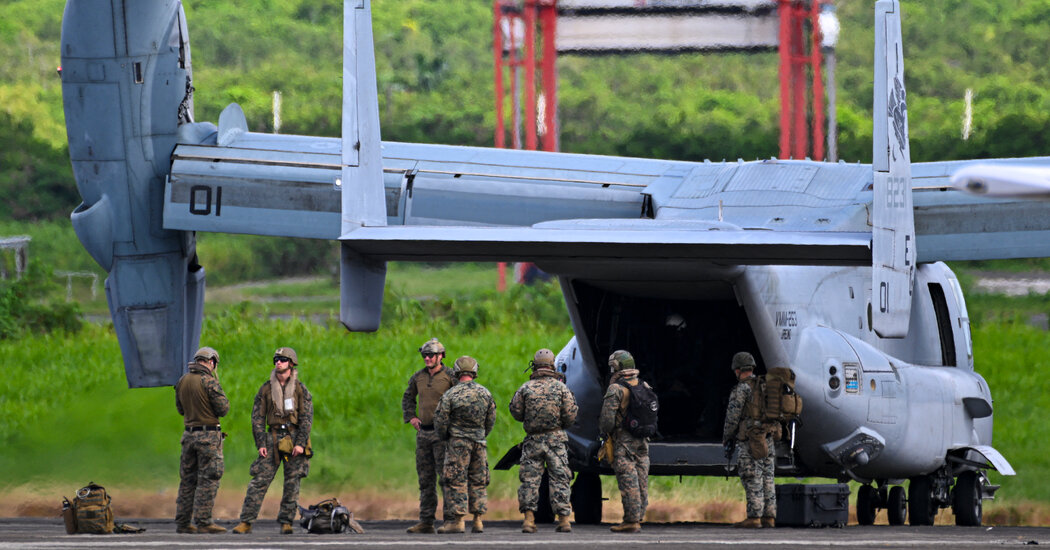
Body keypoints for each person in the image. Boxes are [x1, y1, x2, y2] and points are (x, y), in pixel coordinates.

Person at [232, 347, 313, 535]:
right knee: (259, 480)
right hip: (273, 438)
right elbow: (257, 418)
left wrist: (300, 443)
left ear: (291, 364)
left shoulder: (300, 389)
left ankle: (286, 522)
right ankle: (246, 521)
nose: (278, 362)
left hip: (294, 438)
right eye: (276, 359)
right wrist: (261, 443)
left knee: (292, 483)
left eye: (283, 359)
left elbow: (306, 418)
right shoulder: (266, 389)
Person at [510, 348, 578, 533]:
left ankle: (529, 520)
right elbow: (571, 416)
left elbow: (516, 412)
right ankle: (564, 520)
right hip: (556, 440)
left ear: (535, 365)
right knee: (560, 479)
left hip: (533, 440)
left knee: (530, 480)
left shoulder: (525, 388)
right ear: (552, 365)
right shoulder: (562, 388)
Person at [433, 356, 496, 534]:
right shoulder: (485, 393)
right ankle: (478, 520)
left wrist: (447, 437)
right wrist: (481, 434)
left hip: (458, 443)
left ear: (456, 371)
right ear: (475, 371)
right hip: (479, 442)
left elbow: (440, 421)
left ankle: (458, 522)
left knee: (456, 480)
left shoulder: (450, 394)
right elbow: (491, 420)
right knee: (478, 480)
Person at [401, 337, 456, 534]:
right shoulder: (418, 377)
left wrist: (453, 424)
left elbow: (461, 398)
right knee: (425, 480)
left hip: (443, 435)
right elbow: (408, 397)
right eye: (424, 355)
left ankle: (451, 520)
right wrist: (411, 417)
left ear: (441, 356)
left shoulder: (451, 376)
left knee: (446, 479)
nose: (426, 359)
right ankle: (426, 521)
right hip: (423, 434)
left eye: (430, 355)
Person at [174, 346, 229, 534]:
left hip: (188, 435)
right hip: (208, 436)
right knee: (209, 478)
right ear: (211, 362)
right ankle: (204, 522)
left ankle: (183, 522)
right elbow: (223, 409)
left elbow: (180, 409)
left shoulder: (182, 381)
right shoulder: (209, 382)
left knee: (188, 480)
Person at [598, 350, 651, 533]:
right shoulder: (644, 385)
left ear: (616, 367)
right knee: (641, 480)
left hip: (624, 442)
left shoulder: (616, 389)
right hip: (643, 441)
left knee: (628, 482)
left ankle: (631, 521)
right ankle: (639, 516)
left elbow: (606, 420)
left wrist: (605, 433)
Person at [723, 351, 776, 528]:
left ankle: (754, 517)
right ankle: (769, 517)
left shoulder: (741, 389)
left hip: (751, 440)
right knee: (768, 476)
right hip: (768, 438)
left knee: (751, 476)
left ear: (737, 370)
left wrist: (727, 438)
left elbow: (732, 418)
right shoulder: (765, 386)